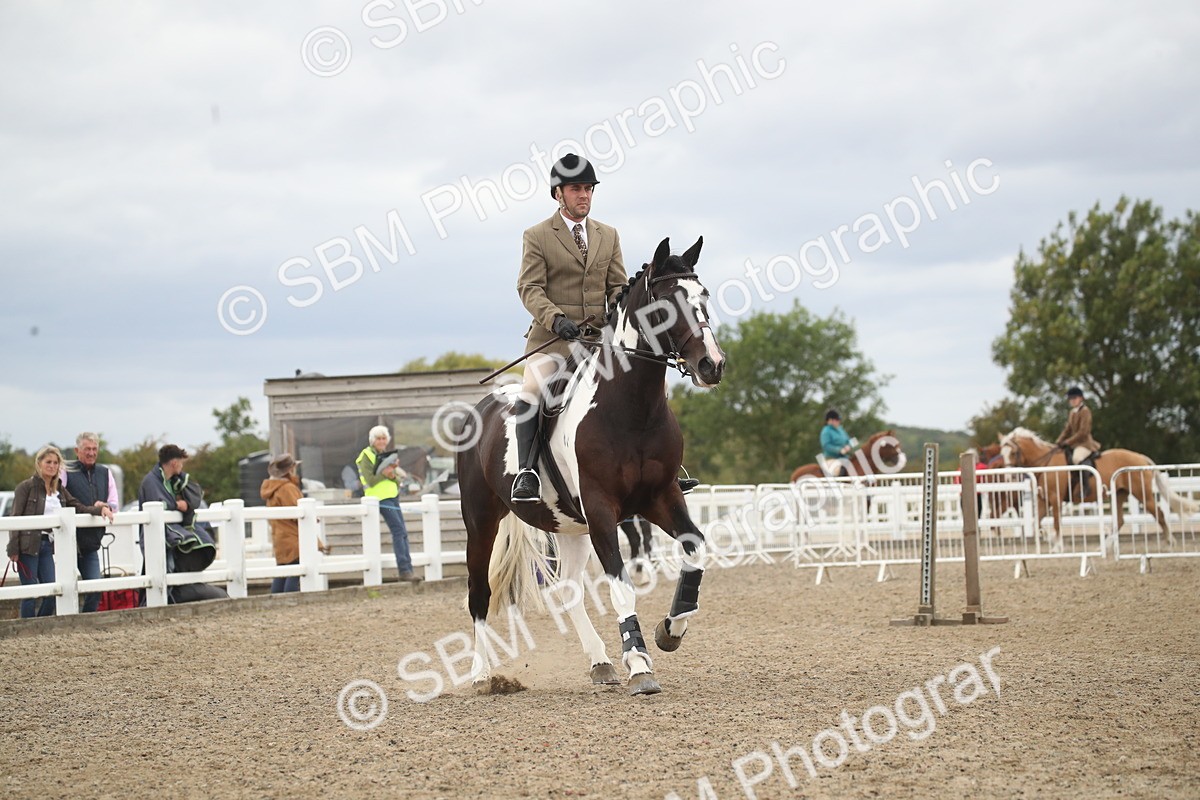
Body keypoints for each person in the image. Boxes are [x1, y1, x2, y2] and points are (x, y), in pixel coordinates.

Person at [6, 445, 114, 618]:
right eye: (48, 462)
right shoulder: (25, 487)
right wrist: (13, 548)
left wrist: (98, 510)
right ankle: (26, 628)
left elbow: (77, 506)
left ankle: (41, 624)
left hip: (47, 546)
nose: (52, 466)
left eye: (56, 462)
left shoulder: (59, 489)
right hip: (27, 546)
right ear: (39, 463)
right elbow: (15, 517)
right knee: (30, 593)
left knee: (52, 591)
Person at [137, 444, 227, 603]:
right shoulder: (151, 482)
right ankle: (155, 604)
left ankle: (164, 603)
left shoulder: (171, 481)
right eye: (181, 463)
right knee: (163, 570)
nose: (182, 466)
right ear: (174, 463)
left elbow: (191, 495)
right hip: (159, 537)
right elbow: (159, 504)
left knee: (168, 570)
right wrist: (179, 505)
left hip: (168, 536)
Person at [61, 431, 119, 613]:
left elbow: (115, 504)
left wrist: (106, 505)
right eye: (87, 449)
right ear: (77, 450)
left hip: (90, 543)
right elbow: (59, 501)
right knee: (61, 590)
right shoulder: (65, 471)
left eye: (94, 449)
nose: (91, 453)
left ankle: (84, 620)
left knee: (95, 588)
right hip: (66, 542)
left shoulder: (105, 472)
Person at [356, 426, 421, 582]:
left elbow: (395, 479)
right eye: (378, 438)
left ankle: (408, 569)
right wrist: (385, 473)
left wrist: (391, 472)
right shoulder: (366, 455)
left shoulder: (384, 456)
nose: (381, 441)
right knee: (398, 531)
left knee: (403, 532)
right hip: (378, 498)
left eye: (384, 438)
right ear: (373, 440)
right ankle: (404, 570)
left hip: (392, 495)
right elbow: (370, 480)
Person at [260, 453, 326, 593]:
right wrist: (312, 517)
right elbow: (298, 511)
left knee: (282, 574)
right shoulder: (287, 488)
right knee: (294, 574)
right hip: (293, 537)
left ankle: (274, 603)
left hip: (280, 537)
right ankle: (289, 601)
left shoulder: (272, 489)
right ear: (290, 469)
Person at [1056, 386, 1101, 497]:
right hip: (1075, 444)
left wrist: (1068, 442)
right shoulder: (1072, 412)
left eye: (1074, 398)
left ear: (1080, 398)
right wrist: (1058, 442)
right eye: (1070, 399)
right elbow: (1067, 429)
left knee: (1077, 458)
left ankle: (1086, 487)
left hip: (1085, 443)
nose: (1072, 401)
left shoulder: (1085, 411)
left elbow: (1083, 432)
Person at [819, 409, 856, 477]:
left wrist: (849, 446)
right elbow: (826, 446)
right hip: (832, 458)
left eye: (839, 420)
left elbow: (849, 440)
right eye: (837, 420)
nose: (839, 422)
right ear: (830, 420)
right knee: (840, 469)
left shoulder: (840, 429)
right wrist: (839, 450)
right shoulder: (826, 431)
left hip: (845, 458)